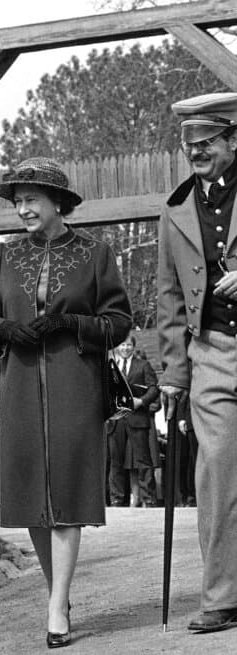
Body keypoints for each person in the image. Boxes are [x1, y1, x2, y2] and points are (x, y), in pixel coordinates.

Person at [0, 157, 131, 649]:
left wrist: (71, 323)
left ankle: (56, 604)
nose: (22, 209)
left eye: (31, 200)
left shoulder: (94, 254)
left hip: (75, 386)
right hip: (19, 386)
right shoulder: (4, 255)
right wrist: (5, 328)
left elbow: (119, 321)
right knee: (31, 500)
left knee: (65, 494)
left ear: (57, 202)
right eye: (18, 201)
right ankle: (57, 594)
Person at [158, 93, 237, 633]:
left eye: (207, 142)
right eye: (190, 145)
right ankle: (223, 595)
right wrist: (173, 373)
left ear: (233, 139)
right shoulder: (176, 208)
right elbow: (167, 293)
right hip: (211, 352)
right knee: (217, 477)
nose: (196, 153)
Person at [105, 333, 160, 508]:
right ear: (117, 347)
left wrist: (141, 401)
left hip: (137, 417)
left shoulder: (143, 365)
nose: (125, 348)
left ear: (133, 347)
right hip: (116, 420)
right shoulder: (109, 366)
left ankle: (148, 498)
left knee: (143, 459)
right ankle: (116, 499)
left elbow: (154, 389)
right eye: (122, 345)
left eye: (128, 345)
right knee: (116, 461)